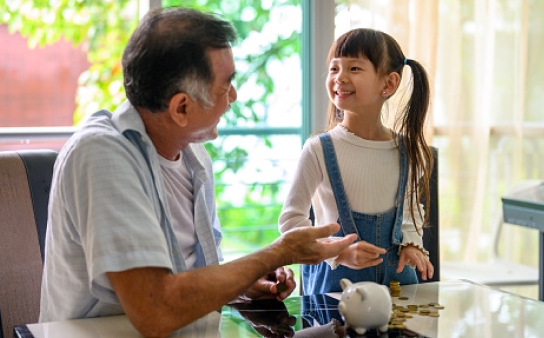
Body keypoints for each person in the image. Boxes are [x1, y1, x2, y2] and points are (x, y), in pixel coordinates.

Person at [38, 7, 357, 337]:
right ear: (181, 108)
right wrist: (278, 252)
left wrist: (242, 286)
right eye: (225, 87)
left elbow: (186, 279)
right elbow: (156, 310)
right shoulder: (102, 156)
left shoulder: (194, 157)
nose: (233, 97)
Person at [278, 28, 434, 295]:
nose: (340, 77)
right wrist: (338, 253)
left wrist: (411, 244)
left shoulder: (407, 150)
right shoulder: (318, 149)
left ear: (388, 84)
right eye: (334, 68)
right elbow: (291, 221)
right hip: (334, 295)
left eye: (354, 68)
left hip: (398, 293)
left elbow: (409, 213)